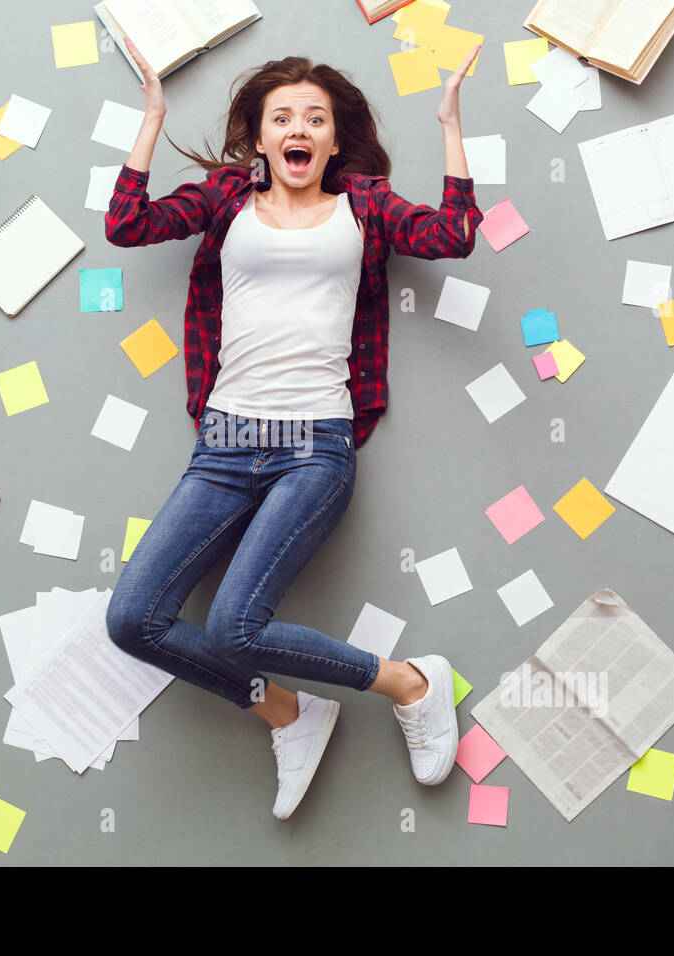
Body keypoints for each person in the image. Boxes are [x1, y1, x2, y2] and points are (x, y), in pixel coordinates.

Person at [104, 36, 484, 820]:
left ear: (334, 139)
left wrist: (450, 127)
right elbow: (126, 225)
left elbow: (452, 236)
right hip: (225, 444)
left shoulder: (364, 206)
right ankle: (290, 712)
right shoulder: (224, 201)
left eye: (315, 118)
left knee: (237, 625)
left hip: (315, 443)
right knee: (132, 619)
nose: (298, 129)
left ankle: (412, 682)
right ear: (261, 137)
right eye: (282, 118)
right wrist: (151, 120)